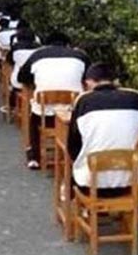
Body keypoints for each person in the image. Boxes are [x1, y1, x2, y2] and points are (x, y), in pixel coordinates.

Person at [67, 63, 138, 197]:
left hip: (89, 185)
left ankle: (71, 196)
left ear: (89, 81)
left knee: (77, 166)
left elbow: (73, 144)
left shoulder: (84, 101)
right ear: (114, 80)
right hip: (128, 184)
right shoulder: (135, 98)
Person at [18, 32, 90, 169]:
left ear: (46, 45)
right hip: (72, 117)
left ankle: (34, 157)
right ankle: (77, 157)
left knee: (33, 118)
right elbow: (90, 79)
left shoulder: (37, 55)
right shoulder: (80, 56)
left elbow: (22, 77)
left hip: (44, 116)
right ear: (68, 45)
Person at [5, 28, 41, 111]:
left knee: (13, 81)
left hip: (18, 82)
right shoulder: (39, 49)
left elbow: (9, 60)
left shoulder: (16, 47)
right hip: (36, 83)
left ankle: (12, 106)